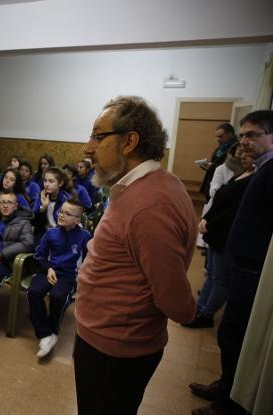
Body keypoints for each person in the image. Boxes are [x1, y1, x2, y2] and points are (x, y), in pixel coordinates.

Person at [74, 96, 197, 415]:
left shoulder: (149, 206)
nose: (87, 148)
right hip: (108, 341)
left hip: (115, 351)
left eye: (97, 137)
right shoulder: (149, 186)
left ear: (129, 141)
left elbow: (177, 304)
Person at [190, 110, 273, 415]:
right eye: (243, 135)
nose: (245, 141)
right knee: (230, 333)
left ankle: (229, 404)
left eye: (253, 134)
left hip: (254, 268)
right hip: (242, 262)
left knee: (235, 334)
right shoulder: (256, 168)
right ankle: (226, 385)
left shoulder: (270, 170)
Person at [183, 148, 253, 329]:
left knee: (221, 279)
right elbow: (220, 198)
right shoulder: (241, 174)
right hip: (215, 232)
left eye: (248, 154)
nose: (243, 156)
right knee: (212, 274)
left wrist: (210, 223)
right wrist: (206, 219)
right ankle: (199, 307)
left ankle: (206, 314)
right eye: (242, 153)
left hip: (225, 234)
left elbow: (233, 211)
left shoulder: (252, 179)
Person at [28, 199, 90, 358]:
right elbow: (39, 256)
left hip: (69, 276)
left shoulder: (84, 236)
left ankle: (53, 329)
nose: (61, 215)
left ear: (77, 220)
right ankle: (45, 333)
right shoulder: (51, 233)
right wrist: (48, 268)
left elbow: (90, 260)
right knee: (34, 291)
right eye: (61, 211)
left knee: (58, 296)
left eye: (67, 213)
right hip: (48, 271)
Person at [198, 123, 238, 201]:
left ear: (230, 134)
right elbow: (216, 162)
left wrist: (211, 166)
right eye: (217, 137)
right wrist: (206, 166)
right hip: (211, 181)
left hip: (222, 184)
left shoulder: (235, 148)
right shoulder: (221, 147)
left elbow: (229, 167)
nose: (218, 139)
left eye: (220, 136)